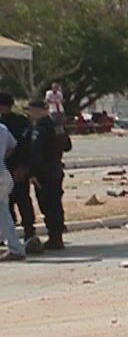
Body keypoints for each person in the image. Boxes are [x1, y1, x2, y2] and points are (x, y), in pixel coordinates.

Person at [23, 99, 70, 251]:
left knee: (47, 204)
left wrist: (33, 173)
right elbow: (67, 146)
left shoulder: (40, 129)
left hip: (44, 173)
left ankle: (54, 238)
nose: (29, 114)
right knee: (56, 204)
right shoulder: (58, 126)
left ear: (38, 110)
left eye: (30, 110)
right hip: (56, 169)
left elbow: (35, 152)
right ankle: (57, 236)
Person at [0, 94, 33, 254]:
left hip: (17, 168)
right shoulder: (3, 126)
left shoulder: (20, 122)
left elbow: (25, 146)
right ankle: (9, 239)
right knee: (7, 206)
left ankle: (27, 235)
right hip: (5, 169)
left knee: (22, 201)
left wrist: (24, 165)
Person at [0, 120, 21, 260]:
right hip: (3, 172)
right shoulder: (2, 128)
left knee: (2, 212)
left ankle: (15, 248)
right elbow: (13, 146)